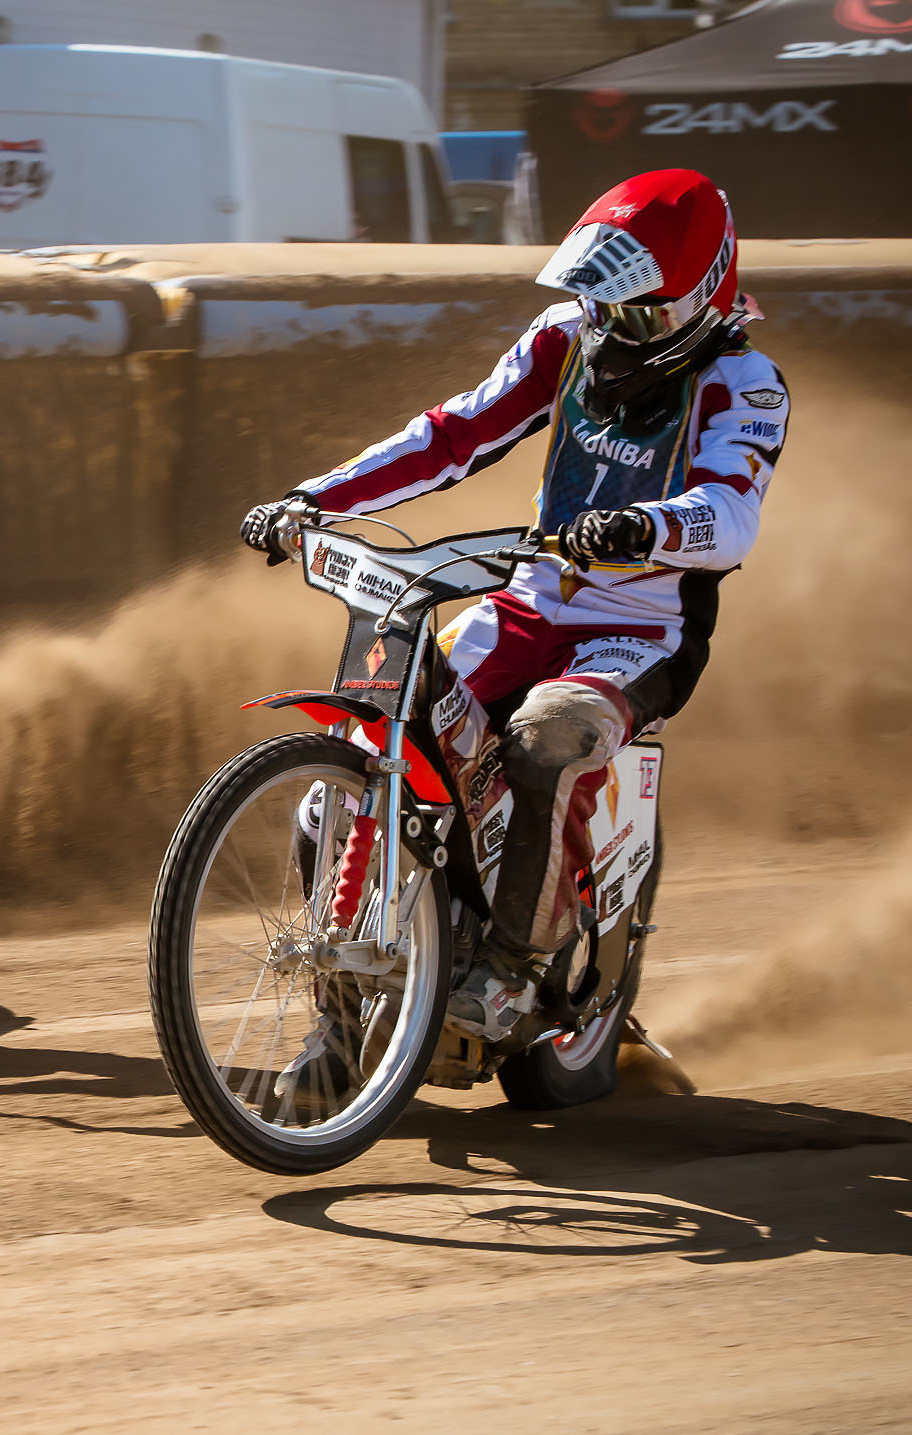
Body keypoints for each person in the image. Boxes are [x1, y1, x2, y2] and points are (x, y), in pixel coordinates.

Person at [239, 167, 789, 1041]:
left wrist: (639, 530)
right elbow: (455, 434)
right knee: (364, 748)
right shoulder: (566, 337)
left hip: (642, 630)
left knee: (543, 741)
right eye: (607, 306)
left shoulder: (746, 383)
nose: (615, 329)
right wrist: (316, 500)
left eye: (640, 313)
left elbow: (730, 517)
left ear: (704, 297)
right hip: (529, 601)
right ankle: (339, 1023)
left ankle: (510, 967)